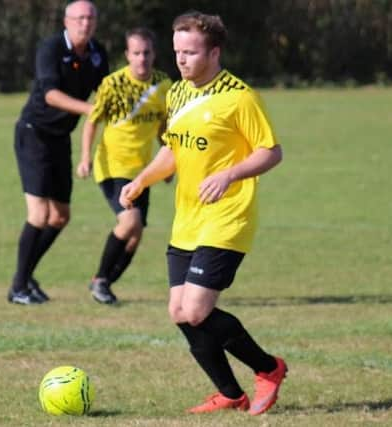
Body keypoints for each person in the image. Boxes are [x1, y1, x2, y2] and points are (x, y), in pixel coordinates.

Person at [120, 12, 287, 416]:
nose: (181, 60)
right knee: (179, 312)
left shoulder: (239, 97)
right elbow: (172, 150)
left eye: (190, 52)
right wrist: (141, 180)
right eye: (177, 51)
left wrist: (230, 174)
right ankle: (230, 394)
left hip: (228, 216)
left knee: (195, 310)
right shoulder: (177, 93)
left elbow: (271, 151)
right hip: (188, 219)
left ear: (214, 52)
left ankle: (269, 368)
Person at [8, 0, 109, 305]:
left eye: (90, 18)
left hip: (60, 138)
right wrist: (92, 109)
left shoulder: (97, 53)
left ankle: (24, 278)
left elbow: (107, 90)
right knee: (39, 215)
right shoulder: (50, 49)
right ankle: (18, 287)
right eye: (79, 18)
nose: (84, 23)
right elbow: (51, 95)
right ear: (66, 21)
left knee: (60, 216)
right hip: (33, 133)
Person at [76, 27, 172, 304]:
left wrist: (168, 164)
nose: (142, 59)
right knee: (130, 221)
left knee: (136, 233)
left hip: (143, 171)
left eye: (147, 53)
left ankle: (103, 282)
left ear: (154, 54)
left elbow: (164, 125)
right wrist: (85, 157)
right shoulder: (113, 83)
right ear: (127, 55)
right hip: (113, 167)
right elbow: (92, 121)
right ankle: (101, 282)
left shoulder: (164, 84)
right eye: (136, 53)